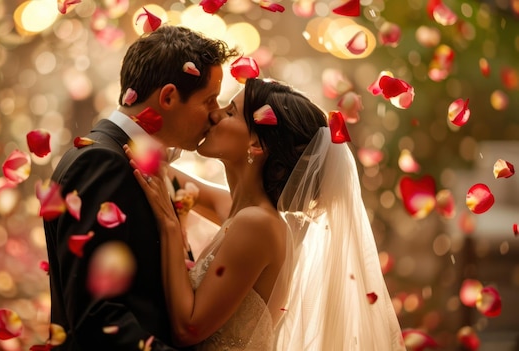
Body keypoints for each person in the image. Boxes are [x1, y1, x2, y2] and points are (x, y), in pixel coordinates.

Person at [125, 78, 406, 350]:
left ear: (256, 145)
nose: (213, 114)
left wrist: (170, 227)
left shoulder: (257, 223)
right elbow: (160, 175)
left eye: (230, 112)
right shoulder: (241, 211)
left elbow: (189, 329)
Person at [43, 25, 237, 350]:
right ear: (169, 97)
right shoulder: (102, 163)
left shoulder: (134, 161)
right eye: (208, 100)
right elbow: (97, 317)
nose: (215, 113)